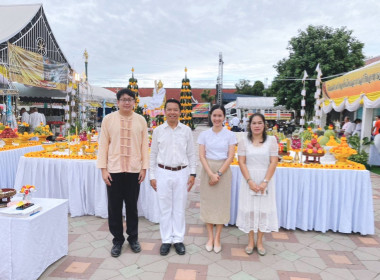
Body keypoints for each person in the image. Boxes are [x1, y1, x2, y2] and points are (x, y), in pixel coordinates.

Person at [97, 88, 149, 258]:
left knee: (132, 208)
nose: (127, 102)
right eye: (124, 99)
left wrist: (144, 168)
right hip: (114, 170)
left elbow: (144, 146)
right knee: (114, 208)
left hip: (134, 170)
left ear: (134, 102)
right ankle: (117, 240)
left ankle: (133, 238)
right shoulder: (108, 120)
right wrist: (104, 170)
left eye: (130, 99)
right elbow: (103, 145)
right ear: (117, 102)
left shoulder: (141, 120)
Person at [150, 98, 196, 256]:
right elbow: (153, 154)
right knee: (165, 208)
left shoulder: (186, 130)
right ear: (164, 112)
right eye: (169, 109)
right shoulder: (158, 131)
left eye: (175, 109)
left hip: (182, 172)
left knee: (179, 208)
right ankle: (166, 240)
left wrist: (193, 173)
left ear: (180, 112)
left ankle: (178, 239)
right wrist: (152, 175)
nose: (172, 112)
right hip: (162, 172)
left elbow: (191, 153)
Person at [237, 113, 278, 256]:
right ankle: (250, 241)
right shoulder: (243, 141)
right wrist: (250, 181)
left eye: (259, 123)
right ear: (249, 125)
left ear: (264, 125)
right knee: (249, 210)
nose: (257, 126)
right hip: (248, 179)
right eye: (254, 123)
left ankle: (259, 242)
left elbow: (274, 161)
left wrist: (265, 182)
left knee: (263, 210)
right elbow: (241, 162)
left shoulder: (271, 140)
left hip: (265, 180)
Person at [198, 104, 236, 253]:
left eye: (220, 116)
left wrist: (218, 174)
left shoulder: (230, 135)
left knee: (221, 204)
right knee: (208, 203)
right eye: (214, 115)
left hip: (224, 171)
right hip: (208, 168)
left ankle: (218, 237)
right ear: (210, 116)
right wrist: (210, 174)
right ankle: (210, 237)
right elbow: (201, 155)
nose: (217, 118)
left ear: (224, 117)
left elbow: (231, 156)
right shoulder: (204, 134)